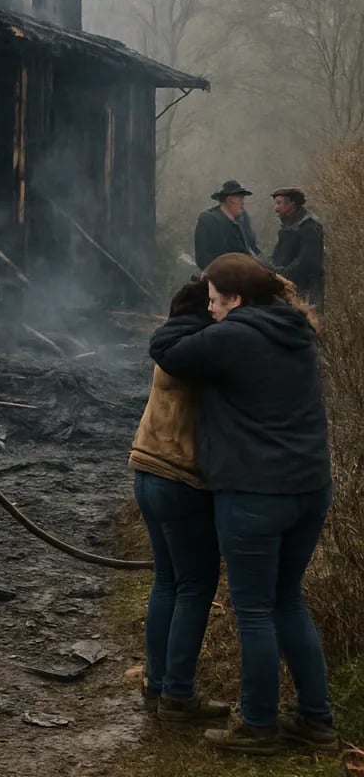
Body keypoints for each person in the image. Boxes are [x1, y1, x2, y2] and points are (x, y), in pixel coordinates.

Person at [149, 254, 334, 756]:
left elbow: (165, 350)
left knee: (253, 611)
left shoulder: (234, 335)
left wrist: (186, 313)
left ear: (235, 298)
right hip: (310, 488)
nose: (209, 311)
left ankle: (259, 726)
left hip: (255, 493)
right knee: (287, 602)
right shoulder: (294, 328)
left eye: (213, 301)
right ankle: (317, 721)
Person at [129, 280, 228, 724]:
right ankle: (179, 695)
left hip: (148, 471)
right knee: (194, 585)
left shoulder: (173, 346)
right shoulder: (201, 353)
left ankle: (157, 684)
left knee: (168, 581)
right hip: (181, 479)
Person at [272, 187, 324, 307]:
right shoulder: (289, 225)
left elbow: (308, 262)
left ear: (292, 203)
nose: (276, 209)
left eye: (279, 203)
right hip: (289, 290)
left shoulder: (309, 227)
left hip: (307, 293)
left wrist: (281, 275)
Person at [193, 180, 259, 271]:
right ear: (230, 200)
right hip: (218, 277)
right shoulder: (208, 220)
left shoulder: (243, 219)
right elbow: (203, 258)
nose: (243, 203)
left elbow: (252, 250)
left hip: (245, 276)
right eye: (240, 198)